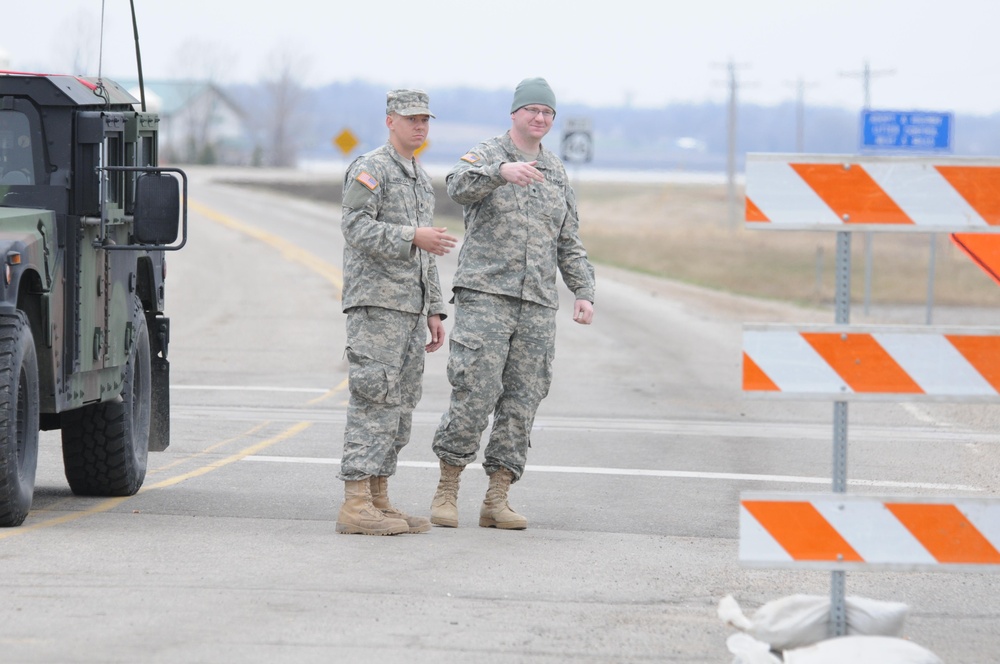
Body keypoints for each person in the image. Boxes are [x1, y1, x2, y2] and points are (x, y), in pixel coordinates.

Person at [429, 77, 595, 530]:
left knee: (522, 401)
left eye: (547, 113)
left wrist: (582, 291)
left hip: (538, 304)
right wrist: (498, 172)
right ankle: (447, 488)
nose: (540, 119)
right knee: (474, 391)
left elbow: (569, 240)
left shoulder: (557, 172)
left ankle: (497, 497)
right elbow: (456, 186)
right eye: (532, 111)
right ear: (515, 114)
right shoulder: (487, 154)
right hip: (486, 294)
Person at [337, 89, 457, 536]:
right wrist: (411, 235)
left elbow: (427, 253)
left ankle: (379, 498)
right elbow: (354, 226)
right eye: (411, 119)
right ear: (390, 121)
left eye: (425, 119)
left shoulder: (419, 177)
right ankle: (354, 504)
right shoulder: (371, 168)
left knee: (400, 406)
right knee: (373, 400)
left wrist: (434, 309)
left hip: (409, 310)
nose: (419, 126)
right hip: (377, 305)